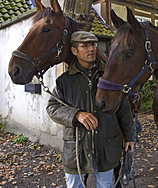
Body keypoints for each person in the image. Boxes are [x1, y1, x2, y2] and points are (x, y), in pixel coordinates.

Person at [46, 31, 134, 188]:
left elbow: (124, 109)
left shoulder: (109, 77)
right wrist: (76, 115)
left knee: (105, 185)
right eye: (85, 46)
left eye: (93, 45)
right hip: (76, 149)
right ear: (74, 51)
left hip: (106, 145)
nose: (91, 49)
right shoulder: (64, 81)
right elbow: (52, 107)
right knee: (74, 186)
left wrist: (129, 136)